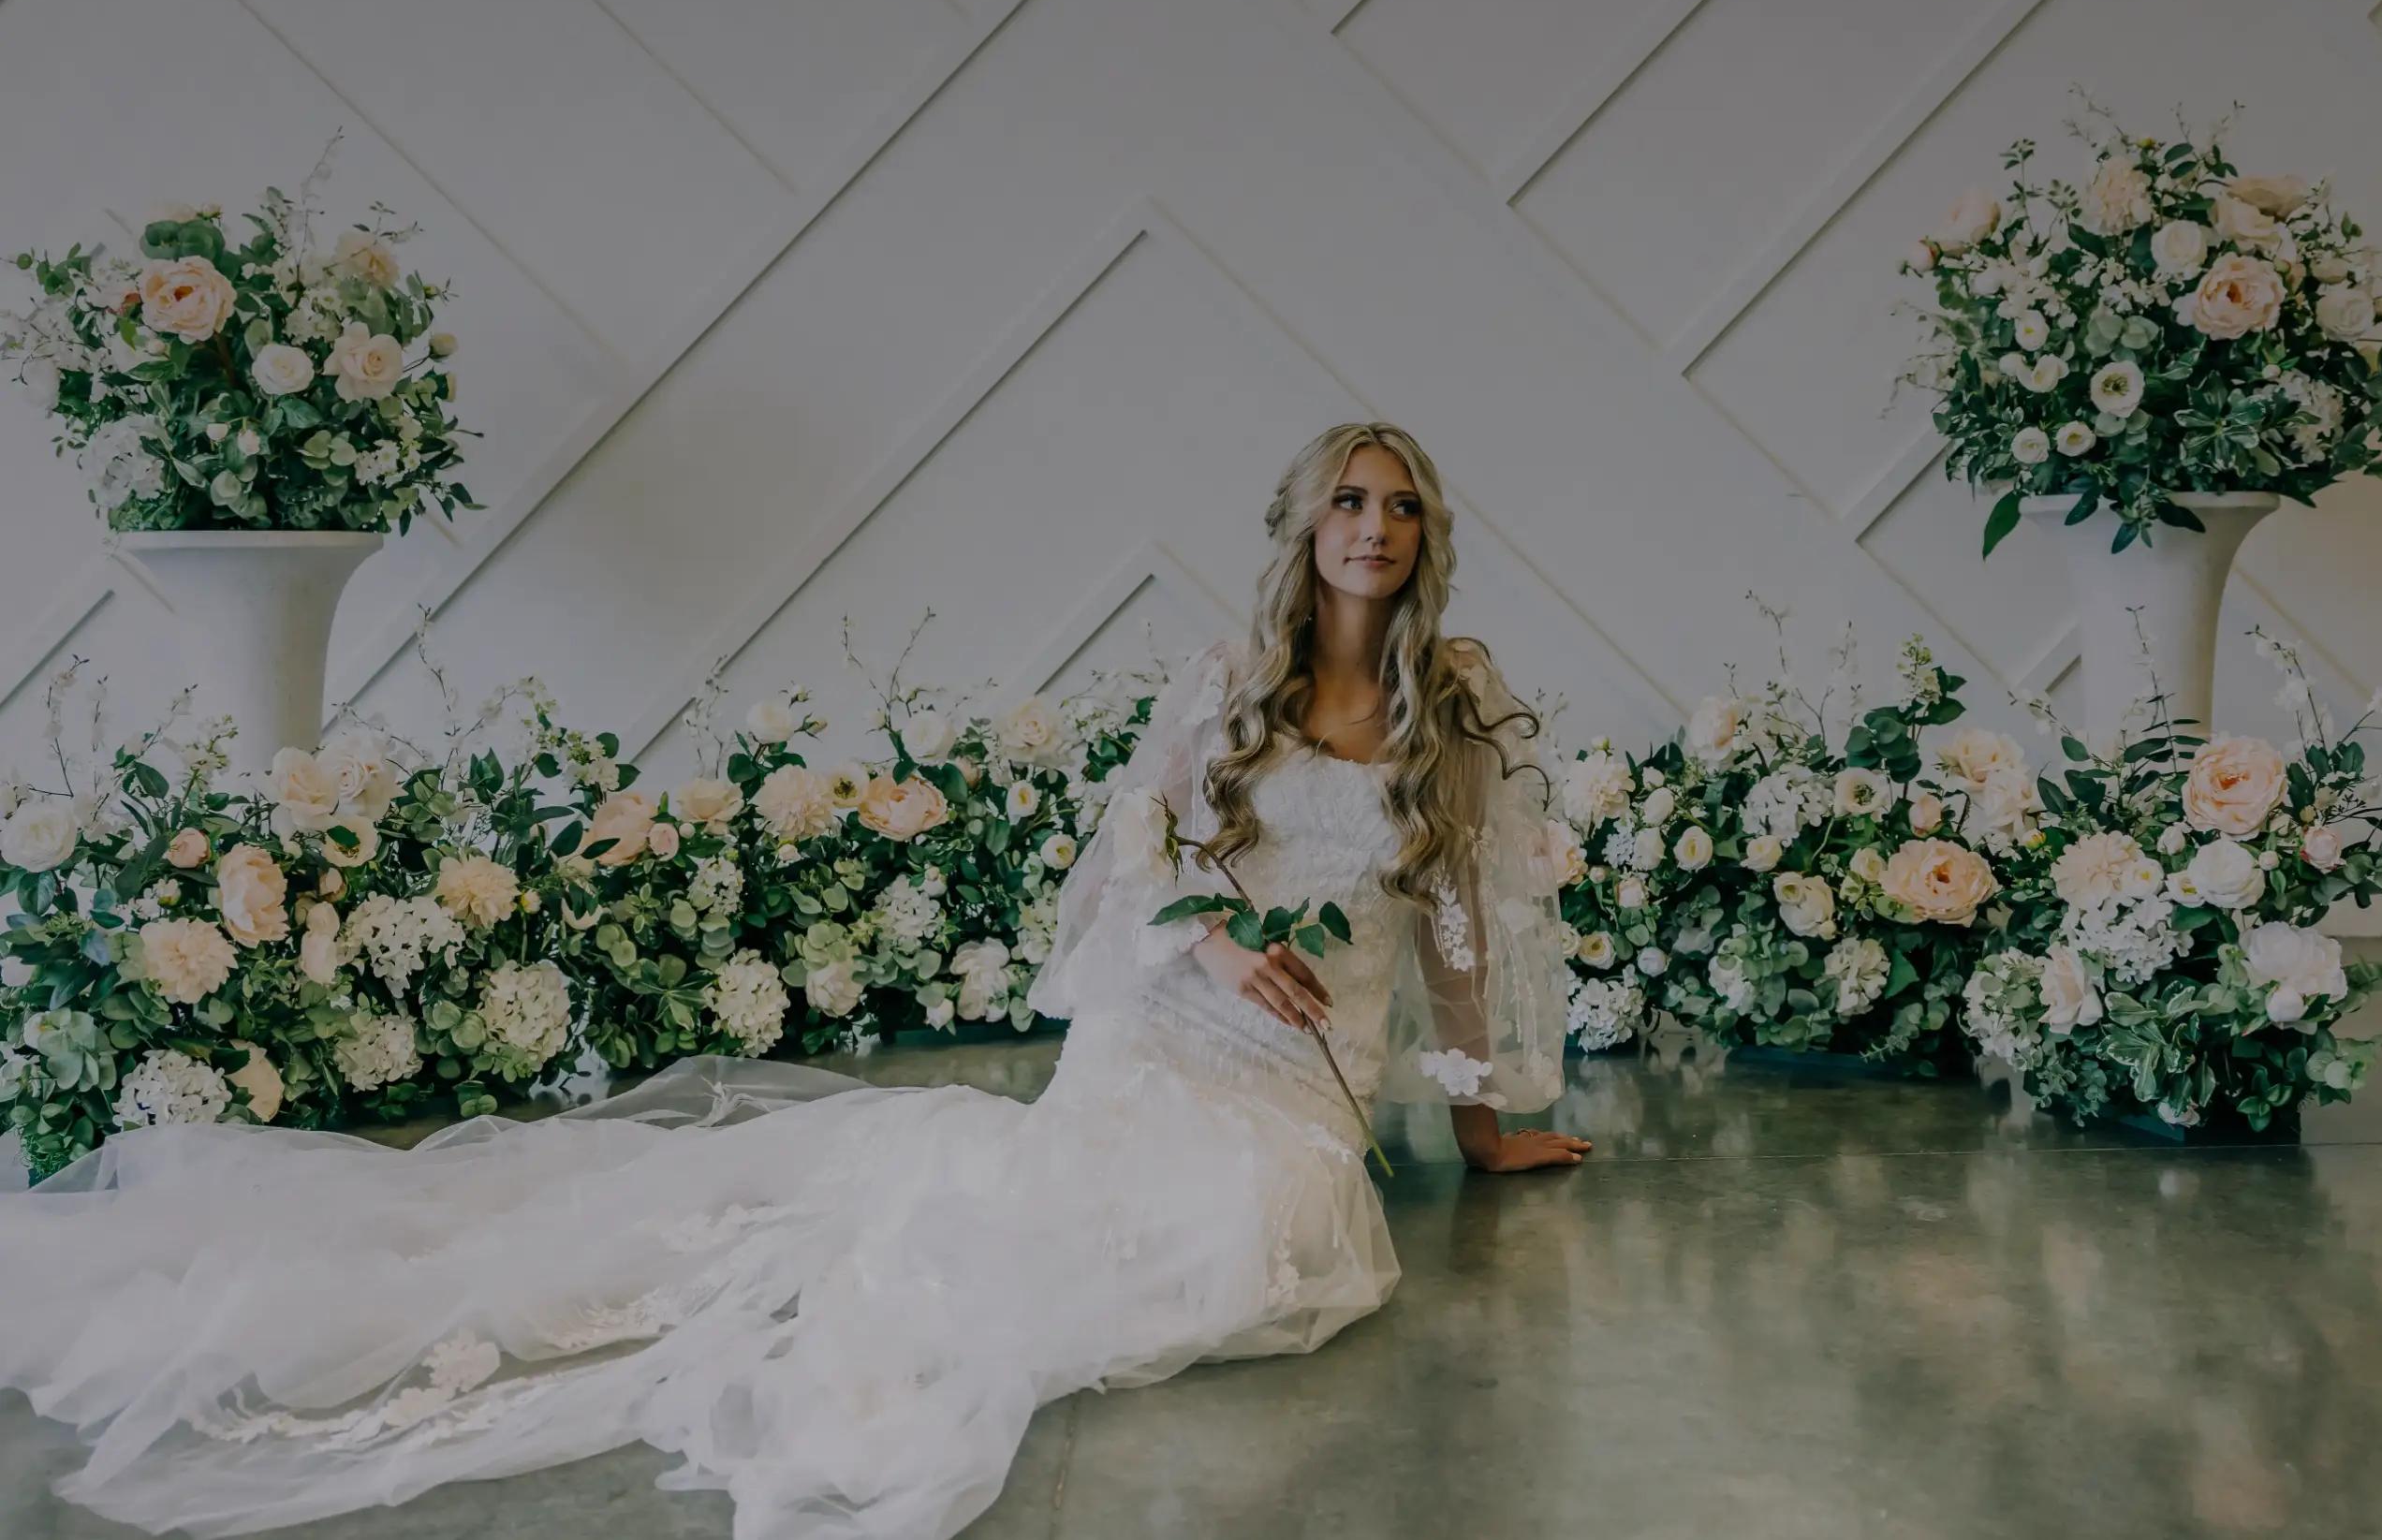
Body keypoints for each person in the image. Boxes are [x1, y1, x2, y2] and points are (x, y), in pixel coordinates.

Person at [0, 419, 1587, 1540]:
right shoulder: (1229, 682)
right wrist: (1223, 936)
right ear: (1307, 526)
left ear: (1427, 538)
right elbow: (1134, 858)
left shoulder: (1454, 697)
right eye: (1351, 501)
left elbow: (1461, 922)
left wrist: (1491, 1124)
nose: (1376, 526)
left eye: (1403, 507)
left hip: (1306, 1082)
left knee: (1276, 1243)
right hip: (1177, 1028)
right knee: (1101, 1228)